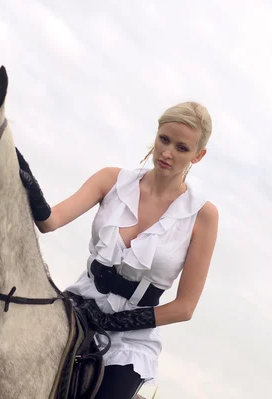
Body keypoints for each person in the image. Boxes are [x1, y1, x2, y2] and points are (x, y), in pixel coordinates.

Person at [17, 101, 219, 399]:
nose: (167, 153)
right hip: (78, 308)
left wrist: (115, 323)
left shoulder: (203, 215)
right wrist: (27, 183)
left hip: (131, 340)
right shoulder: (112, 180)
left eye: (181, 147)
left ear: (198, 155)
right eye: (164, 139)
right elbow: (50, 221)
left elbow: (185, 307)